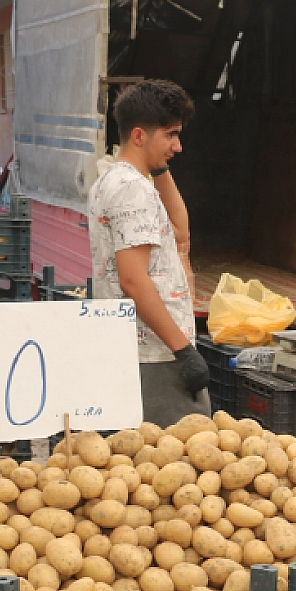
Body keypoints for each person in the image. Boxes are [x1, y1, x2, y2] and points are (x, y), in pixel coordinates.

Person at [87, 79, 211, 426]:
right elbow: (132, 279)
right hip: (152, 356)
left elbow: (180, 233)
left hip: (145, 351)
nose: (178, 146)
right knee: (174, 465)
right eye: (170, 135)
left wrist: (159, 168)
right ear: (139, 136)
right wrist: (183, 351)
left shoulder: (122, 180)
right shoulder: (131, 191)